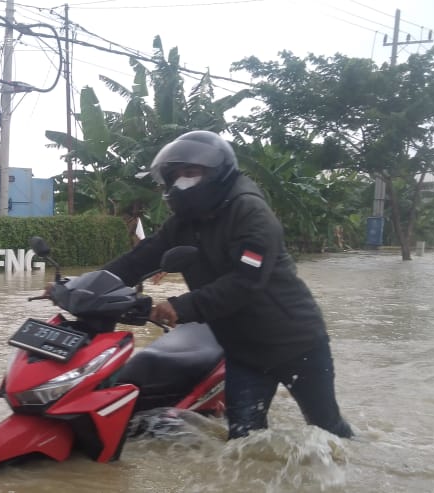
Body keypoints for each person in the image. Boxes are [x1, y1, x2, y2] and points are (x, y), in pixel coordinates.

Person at [100, 130, 353, 440]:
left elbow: (245, 283)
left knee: (327, 430)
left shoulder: (251, 212)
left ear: (216, 173)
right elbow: (143, 257)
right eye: (175, 175)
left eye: (190, 173)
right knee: (244, 443)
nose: (181, 182)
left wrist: (180, 307)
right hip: (243, 351)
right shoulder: (185, 221)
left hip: (296, 345)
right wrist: (89, 284)